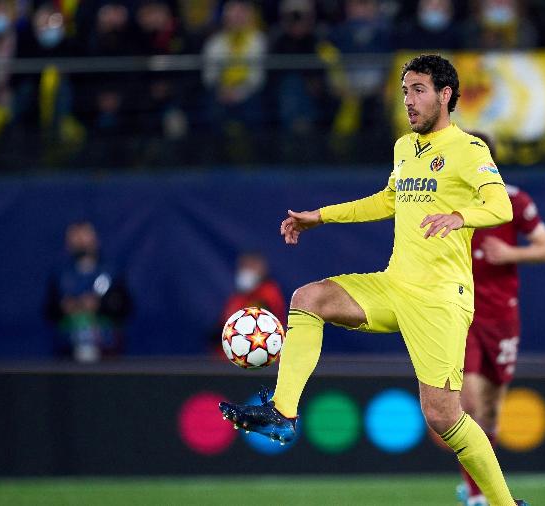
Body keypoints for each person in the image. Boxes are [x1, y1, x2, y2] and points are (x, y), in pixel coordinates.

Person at [219, 54, 528, 506]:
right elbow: (387, 200)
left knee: (443, 417)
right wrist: (318, 217)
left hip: (441, 299)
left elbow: (501, 207)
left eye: (418, 90)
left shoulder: (469, 150)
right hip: (394, 285)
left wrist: (459, 216)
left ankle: (503, 504)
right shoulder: (405, 148)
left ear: (445, 95)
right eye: (405, 91)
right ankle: (282, 412)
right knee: (309, 298)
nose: (409, 100)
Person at [456, 132, 545, 506]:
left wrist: (510, 253)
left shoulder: (514, 200)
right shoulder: (446, 203)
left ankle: (479, 482)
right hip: (461, 315)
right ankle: (476, 495)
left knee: (491, 416)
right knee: (467, 404)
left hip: (501, 319)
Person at [44, 221, 133, 362]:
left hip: (106, 349)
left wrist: (100, 304)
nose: (81, 242)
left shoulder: (111, 273)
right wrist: (65, 306)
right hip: (68, 349)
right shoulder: (61, 275)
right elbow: (49, 310)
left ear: (95, 240)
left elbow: (124, 306)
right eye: (76, 238)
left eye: (85, 237)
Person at [216, 251, 287, 353]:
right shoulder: (236, 298)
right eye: (244, 266)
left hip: (261, 358)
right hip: (229, 361)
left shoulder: (269, 293)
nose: (247, 271)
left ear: (262, 269)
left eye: (251, 266)